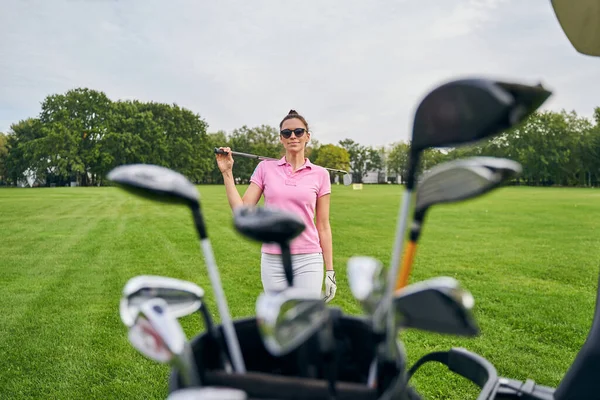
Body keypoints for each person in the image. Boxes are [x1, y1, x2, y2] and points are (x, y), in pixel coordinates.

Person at [215, 109, 337, 302]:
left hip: (309, 258)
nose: (293, 136)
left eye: (298, 131)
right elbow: (242, 211)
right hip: (273, 259)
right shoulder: (265, 168)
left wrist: (330, 270)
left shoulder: (321, 174)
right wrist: (227, 172)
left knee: (305, 320)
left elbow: (323, 225)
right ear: (281, 138)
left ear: (307, 136)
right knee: (278, 320)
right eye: (286, 133)